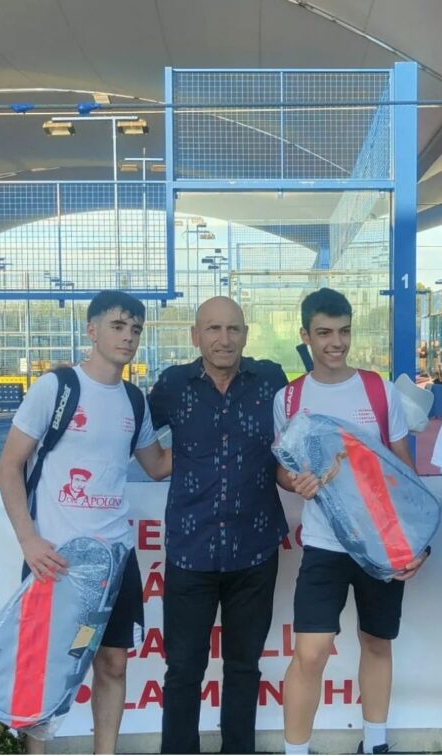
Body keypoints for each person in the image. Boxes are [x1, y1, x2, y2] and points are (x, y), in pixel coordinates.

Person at [0, 290, 172, 755]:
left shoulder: (135, 400)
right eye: (118, 326)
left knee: (113, 663)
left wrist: (215, 436)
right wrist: (29, 540)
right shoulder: (56, 388)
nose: (128, 336)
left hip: (116, 559)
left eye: (136, 329)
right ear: (91, 330)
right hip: (56, 559)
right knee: (47, 669)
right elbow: (9, 466)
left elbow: (156, 464)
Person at [275, 288, 430, 756]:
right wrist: (294, 480)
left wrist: (416, 545)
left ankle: (376, 744)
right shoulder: (288, 398)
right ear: (306, 336)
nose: (335, 343)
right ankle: (296, 751)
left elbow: (407, 473)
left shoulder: (378, 391)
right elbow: (281, 467)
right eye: (324, 333)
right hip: (323, 545)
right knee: (311, 652)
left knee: (377, 643)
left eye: (343, 332)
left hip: (382, 543)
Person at [147, 296, 288, 755]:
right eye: (212, 329)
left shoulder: (270, 379)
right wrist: (161, 464)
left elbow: (296, 441)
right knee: (184, 669)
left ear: (246, 334)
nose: (223, 339)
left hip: (256, 549)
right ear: (195, 336)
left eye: (232, 329)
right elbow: (134, 432)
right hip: (191, 550)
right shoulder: (172, 385)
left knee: (244, 668)